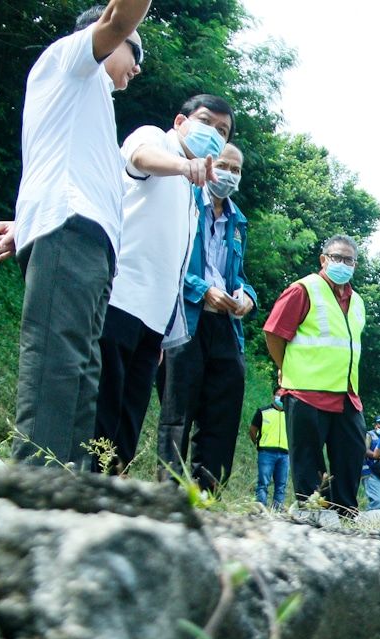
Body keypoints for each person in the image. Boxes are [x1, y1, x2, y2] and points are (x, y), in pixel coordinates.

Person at [0, 1, 150, 468]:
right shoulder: (71, 61)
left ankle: (67, 479)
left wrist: (28, 220)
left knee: (81, 366)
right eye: (135, 52)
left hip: (84, 237)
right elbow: (120, 17)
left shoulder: (86, 97)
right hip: (71, 231)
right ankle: (37, 478)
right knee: (58, 358)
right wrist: (44, 219)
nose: (138, 68)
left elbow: (60, 161)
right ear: (107, 37)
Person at [94, 94, 234, 473]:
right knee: (100, 411)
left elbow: (171, 265)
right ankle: (78, 490)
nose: (214, 134)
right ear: (180, 121)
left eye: (223, 131)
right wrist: (185, 166)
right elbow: (139, 158)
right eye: (206, 122)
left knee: (128, 420)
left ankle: (106, 496)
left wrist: (165, 332)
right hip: (118, 301)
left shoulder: (192, 199)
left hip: (153, 323)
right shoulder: (156, 140)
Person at [157, 142, 255, 490]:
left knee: (223, 409)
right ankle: (168, 489)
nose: (229, 173)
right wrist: (202, 290)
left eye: (237, 169)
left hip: (225, 325)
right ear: (209, 164)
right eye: (224, 165)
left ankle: (207, 490)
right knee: (178, 408)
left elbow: (238, 275)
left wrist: (247, 298)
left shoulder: (238, 221)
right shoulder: (184, 202)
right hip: (188, 318)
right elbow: (168, 258)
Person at [263, 235, 367, 515]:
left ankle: (345, 515)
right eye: (337, 258)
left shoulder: (357, 301)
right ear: (323, 259)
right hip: (306, 391)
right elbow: (273, 332)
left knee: (351, 456)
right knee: (308, 463)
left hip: (346, 395)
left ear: (355, 265)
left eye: (348, 260)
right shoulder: (303, 290)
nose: (342, 264)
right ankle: (313, 515)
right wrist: (284, 367)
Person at [249, 390, 289, 509]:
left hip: (285, 454)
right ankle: (261, 509)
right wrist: (258, 443)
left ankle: (277, 511)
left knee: (281, 485)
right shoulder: (263, 412)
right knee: (263, 483)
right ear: (273, 396)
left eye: (283, 395)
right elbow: (252, 430)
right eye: (278, 394)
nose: (280, 397)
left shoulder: (290, 415)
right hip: (266, 452)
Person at [362, 415, 380, 510]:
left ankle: (378, 523)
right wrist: (377, 456)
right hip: (370, 472)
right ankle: (368, 520)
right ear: (375, 425)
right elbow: (364, 450)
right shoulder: (369, 435)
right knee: (377, 500)